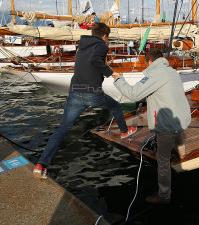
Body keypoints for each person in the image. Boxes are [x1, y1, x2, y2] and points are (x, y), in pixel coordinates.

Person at [33, 22, 137, 180]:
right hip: (92, 94)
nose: (107, 41)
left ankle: (41, 165)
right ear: (104, 36)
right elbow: (95, 60)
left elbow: (88, 63)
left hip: (75, 93)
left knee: (62, 129)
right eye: (107, 38)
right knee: (115, 106)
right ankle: (124, 132)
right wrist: (112, 73)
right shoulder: (102, 46)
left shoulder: (82, 46)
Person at [113, 49, 191, 204]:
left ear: (150, 61)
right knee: (175, 137)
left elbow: (134, 94)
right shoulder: (171, 71)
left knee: (162, 160)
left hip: (166, 125)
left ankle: (164, 195)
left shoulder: (155, 74)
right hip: (181, 119)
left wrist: (118, 79)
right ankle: (180, 155)